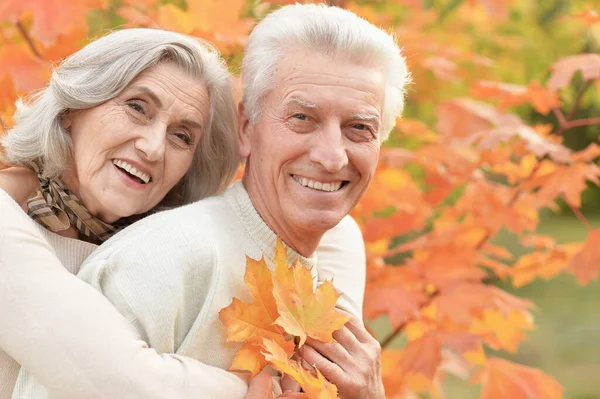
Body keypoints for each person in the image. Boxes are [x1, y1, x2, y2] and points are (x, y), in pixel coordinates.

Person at [13, 3, 409, 398]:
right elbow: (117, 378)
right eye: (302, 118)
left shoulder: (324, 242)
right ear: (247, 130)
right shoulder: (156, 257)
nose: (331, 157)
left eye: (359, 128)